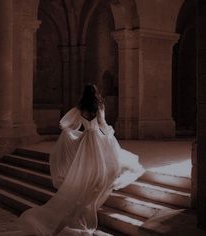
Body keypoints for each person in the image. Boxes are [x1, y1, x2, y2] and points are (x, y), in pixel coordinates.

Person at [19, 84, 145, 236]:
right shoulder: (99, 107)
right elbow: (103, 124)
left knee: (87, 164)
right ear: (96, 94)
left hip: (86, 139)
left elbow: (67, 124)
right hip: (96, 138)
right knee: (101, 163)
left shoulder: (80, 108)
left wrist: (70, 134)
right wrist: (109, 134)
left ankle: (89, 183)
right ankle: (95, 183)